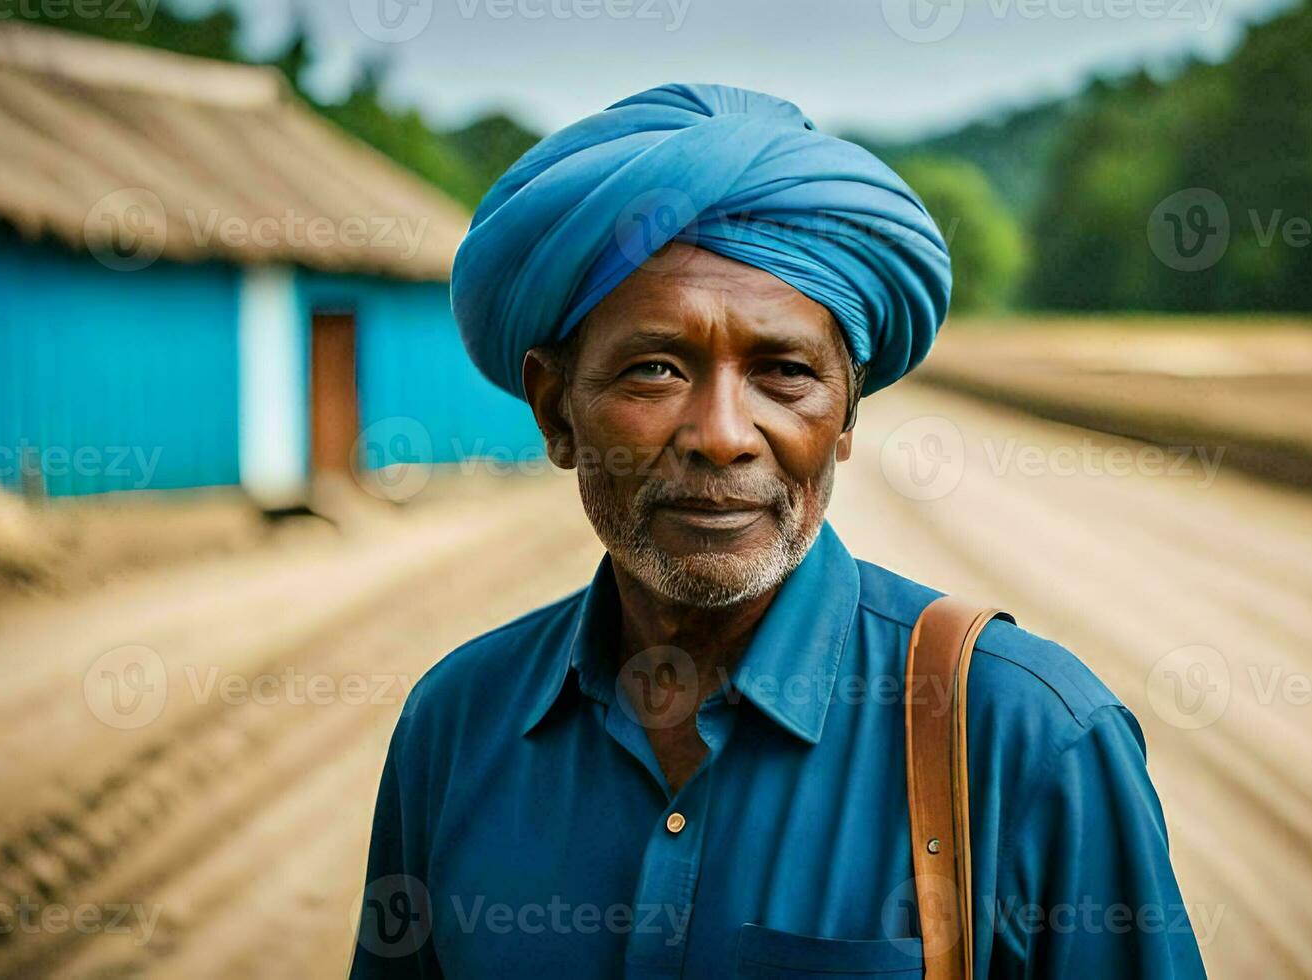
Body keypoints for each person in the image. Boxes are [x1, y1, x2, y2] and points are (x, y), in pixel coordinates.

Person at [350, 83, 1206, 979]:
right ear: (555, 410)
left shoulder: (1030, 738)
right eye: (654, 369)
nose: (720, 435)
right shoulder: (454, 726)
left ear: (845, 418)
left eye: (785, 373)